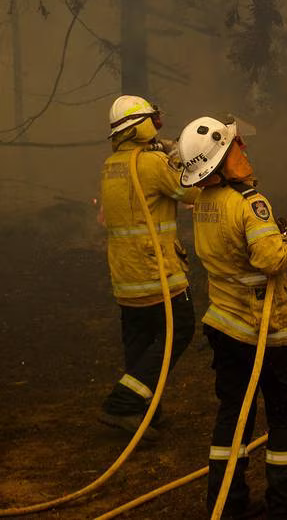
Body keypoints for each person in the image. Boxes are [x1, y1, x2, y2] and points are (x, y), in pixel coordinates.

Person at [177, 115, 287, 519]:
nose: (244, 151)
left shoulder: (205, 203)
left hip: (226, 326)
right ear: (223, 158)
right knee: (286, 417)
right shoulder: (251, 203)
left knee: (233, 417)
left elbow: (237, 248)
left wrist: (274, 233)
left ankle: (226, 504)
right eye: (237, 146)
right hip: (269, 329)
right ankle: (285, 506)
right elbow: (270, 258)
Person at [98, 94, 198, 435]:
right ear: (141, 126)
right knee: (179, 331)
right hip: (158, 274)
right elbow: (192, 192)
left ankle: (143, 411)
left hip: (126, 278)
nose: (158, 128)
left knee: (140, 341)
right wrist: (175, 156)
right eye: (154, 122)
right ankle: (124, 402)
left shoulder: (111, 165)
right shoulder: (153, 163)